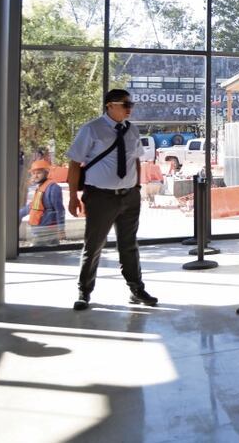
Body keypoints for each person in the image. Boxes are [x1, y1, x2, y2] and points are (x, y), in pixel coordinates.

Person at [67, 89, 157, 311]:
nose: (129, 108)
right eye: (125, 104)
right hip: (100, 197)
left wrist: (136, 187)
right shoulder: (92, 129)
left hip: (129, 196)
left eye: (131, 105)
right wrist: (72, 197)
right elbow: (74, 163)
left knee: (129, 245)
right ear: (110, 106)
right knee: (94, 245)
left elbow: (135, 159)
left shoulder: (132, 130)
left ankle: (136, 289)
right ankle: (84, 292)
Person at [19, 160, 65, 247]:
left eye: (38, 173)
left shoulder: (53, 188)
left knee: (38, 255)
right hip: (39, 230)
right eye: (33, 173)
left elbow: (59, 210)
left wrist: (61, 229)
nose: (35, 176)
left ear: (47, 173)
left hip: (46, 231)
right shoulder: (41, 187)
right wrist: (17, 214)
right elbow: (33, 206)